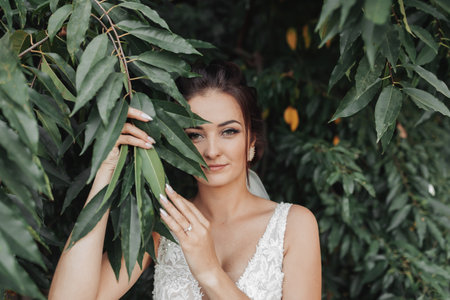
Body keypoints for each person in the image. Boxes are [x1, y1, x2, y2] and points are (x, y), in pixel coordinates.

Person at [49, 61, 321, 299]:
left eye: (229, 131)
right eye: (194, 135)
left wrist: (209, 270)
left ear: (251, 140)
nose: (212, 150)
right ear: (177, 144)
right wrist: (106, 171)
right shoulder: (163, 227)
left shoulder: (294, 225)